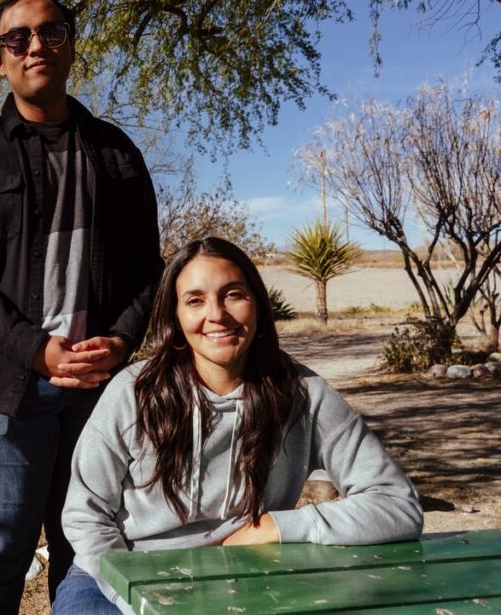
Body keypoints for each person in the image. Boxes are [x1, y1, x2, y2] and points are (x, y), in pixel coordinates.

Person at [0, 0, 162, 614]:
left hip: (96, 388)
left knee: (84, 544)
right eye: (18, 38)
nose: (36, 45)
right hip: (4, 388)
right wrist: (35, 350)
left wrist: (121, 341)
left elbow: (148, 269)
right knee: (0, 549)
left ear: (70, 46)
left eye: (51, 32)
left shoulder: (117, 155)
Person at [55, 237, 424, 615]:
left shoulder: (302, 394)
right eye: (195, 300)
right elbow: (86, 514)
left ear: (258, 305)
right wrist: (136, 598)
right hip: (114, 578)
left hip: (240, 577)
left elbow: (397, 504)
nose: (217, 314)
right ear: (175, 317)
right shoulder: (134, 393)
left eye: (233, 294)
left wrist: (274, 528)